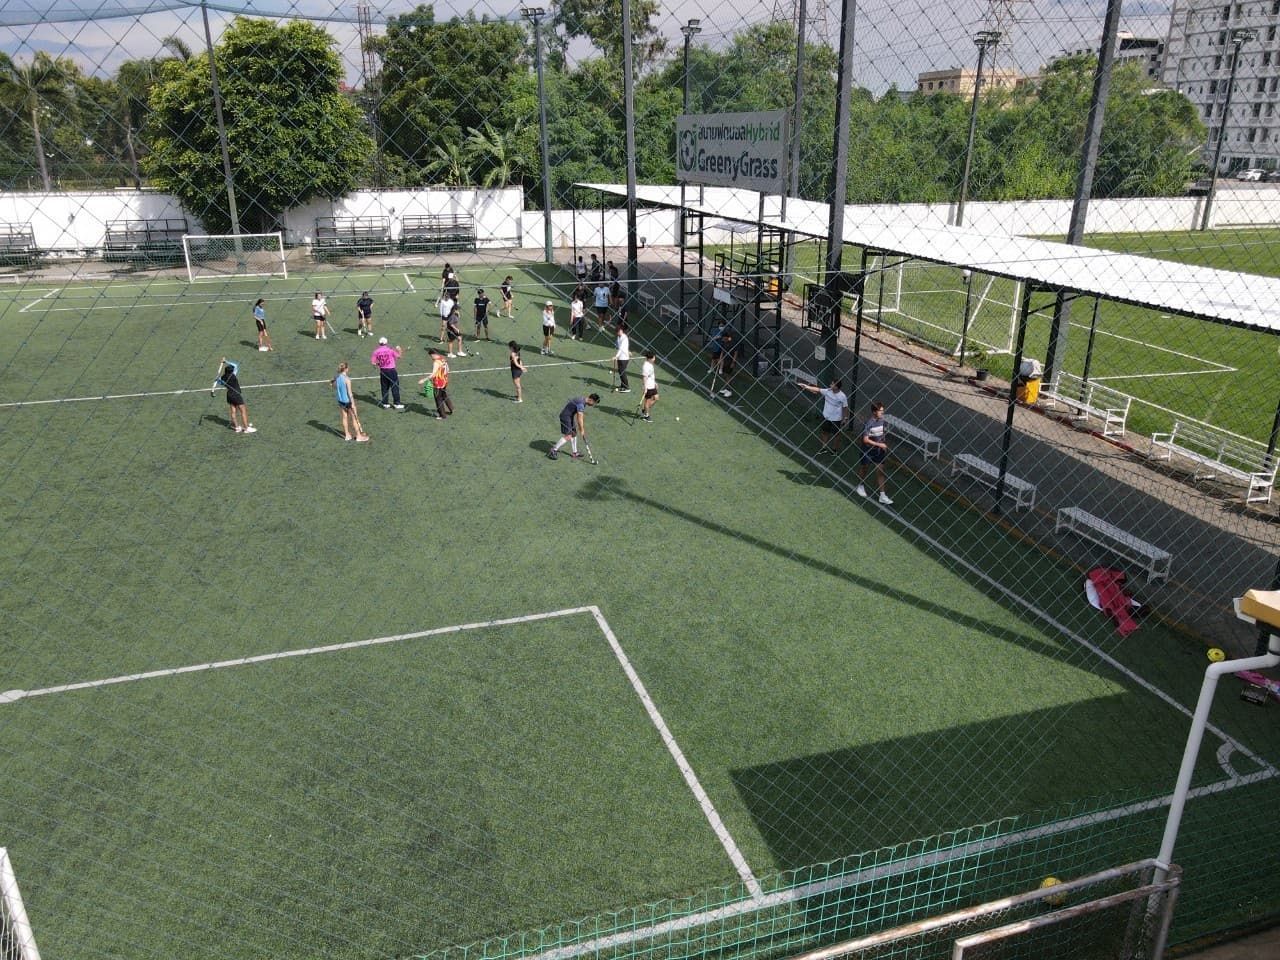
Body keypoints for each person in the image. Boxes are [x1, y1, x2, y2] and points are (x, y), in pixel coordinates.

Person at [796, 376, 849, 454]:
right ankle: (824, 448)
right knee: (824, 432)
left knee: (836, 435)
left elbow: (845, 408)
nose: (830, 385)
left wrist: (845, 418)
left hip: (836, 419)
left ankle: (834, 450)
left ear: (837, 387)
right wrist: (806, 386)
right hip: (826, 417)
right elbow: (817, 390)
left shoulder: (842, 396)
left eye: (832, 384)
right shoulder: (828, 391)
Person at [856, 401, 894, 505]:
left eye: (883, 410)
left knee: (881, 472)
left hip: (878, 452)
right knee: (864, 469)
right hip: (868, 451)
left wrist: (883, 443)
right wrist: (880, 445)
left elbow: (881, 434)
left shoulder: (882, 421)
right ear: (874, 412)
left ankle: (882, 495)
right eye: (880, 411)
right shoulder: (869, 423)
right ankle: (860, 485)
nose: (882, 412)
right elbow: (865, 439)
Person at [548, 393, 600, 460]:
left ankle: (575, 453)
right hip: (565, 417)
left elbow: (580, 415)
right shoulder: (581, 404)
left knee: (574, 434)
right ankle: (553, 450)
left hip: (569, 416)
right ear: (591, 400)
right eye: (594, 403)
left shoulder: (582, 400)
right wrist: (582, 429)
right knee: (568, 436)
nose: (593, 405)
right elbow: (579, 418)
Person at [331, 361, 370, 441]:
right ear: (346, 369)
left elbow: (333, 385)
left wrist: (333, 383)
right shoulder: (347, 379)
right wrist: (352, 403)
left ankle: (347, 435)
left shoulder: (337, 378)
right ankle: (359, 436)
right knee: (354, 418)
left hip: (340, 401)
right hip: (347, 401)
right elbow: (349, 393)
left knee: (344, 417)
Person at [219, 360, 256, 434]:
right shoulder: (233, 375)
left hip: (229, 395)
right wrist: (225, 361)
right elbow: (236, 365)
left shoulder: (223, 377)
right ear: (231, 371)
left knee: (233, 411)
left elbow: (220, 382)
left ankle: (237, 427)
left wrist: (217, 379)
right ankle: (246, 428)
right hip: (236, 395)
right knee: (243, 411)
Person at [370, 337, 405, 410]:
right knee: (394, 387)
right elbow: (399, 356)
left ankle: (385, 403)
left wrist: (379, 364)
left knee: (384, 387)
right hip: (391, 371)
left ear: (379, 343)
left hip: (383, 371)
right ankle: (396, 403)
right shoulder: (390, 350)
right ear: (386, 343)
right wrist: (400, 350)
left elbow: (373, 362)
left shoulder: (376, 351)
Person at [419, 348, 453, 419]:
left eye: (431, 356)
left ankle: (442, 415)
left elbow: (433, 375)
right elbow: (448, 369)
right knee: (444, 395)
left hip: (438, 383)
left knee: (438, 398)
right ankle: (451, 408)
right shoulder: (443, 359)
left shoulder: (436, 362)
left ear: (433, 354)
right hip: (445, 381)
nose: (431, 358)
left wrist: (423, 380)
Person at [711, 326, 739, 398]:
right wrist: (720, 360)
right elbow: (722, 352)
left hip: (730, 362)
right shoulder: (724, 342)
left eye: (723, 338)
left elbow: (736, 353)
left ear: (727, 337)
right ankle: (726, 389)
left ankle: (729, 391)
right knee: (725, 375)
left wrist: (733, 362)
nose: (722, 339)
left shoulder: (732, 343)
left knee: (728, 376)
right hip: (725, 361)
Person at [640, 350, 659, 421]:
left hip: (652, 385)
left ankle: (644, 409)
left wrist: (655, 382)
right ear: (650, 358)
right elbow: (644, 377)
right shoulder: (646, 366)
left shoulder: (650, 364)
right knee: (647, 402)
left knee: (656, 398)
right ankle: (646, 416)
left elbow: (651, 376)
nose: (655, 359)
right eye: (654, 358)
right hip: (648, 387)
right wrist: (645, 387)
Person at [613, 321, 631, 393]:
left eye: (618, 331)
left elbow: (621, 348)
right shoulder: (619, 337)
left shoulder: (624, 338)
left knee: (622, 372)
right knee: (620, 372)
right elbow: (618, 346)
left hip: (624, 358)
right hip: (620, 358)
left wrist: (616, 356)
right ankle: (622, 385)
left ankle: (627, 387)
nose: (617, 333)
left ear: (621, 330)